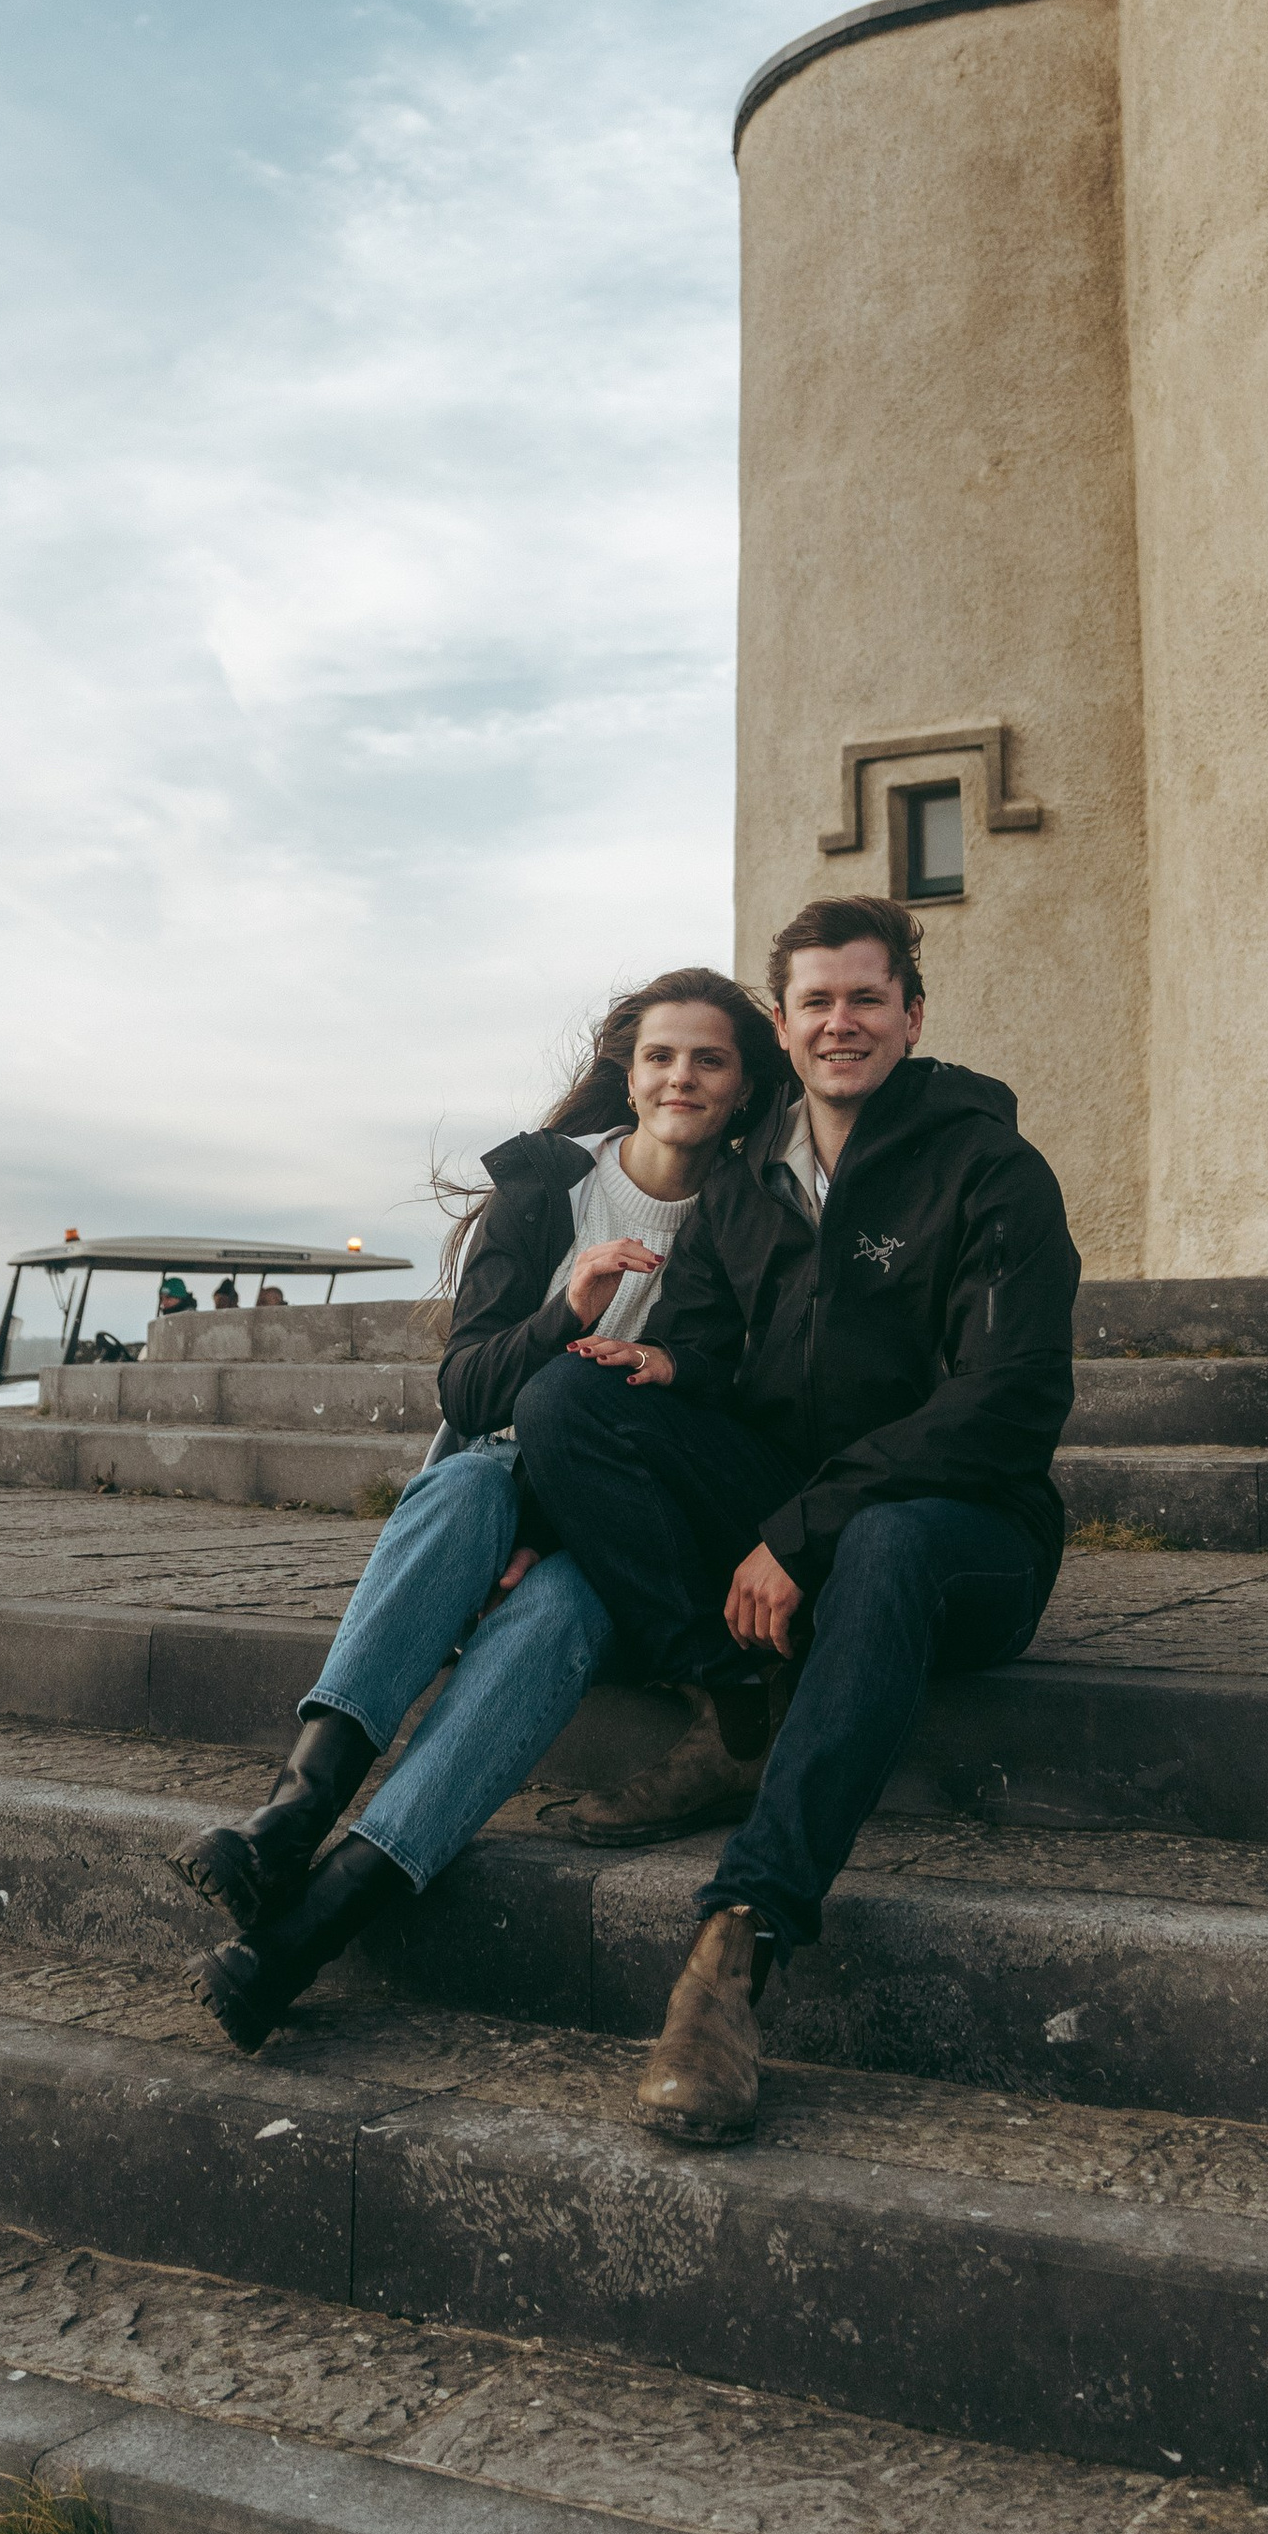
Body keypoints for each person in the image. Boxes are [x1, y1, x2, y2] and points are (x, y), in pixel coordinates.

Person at [513, 894, 1078, 2148]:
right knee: (567, 1398)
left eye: (866, 997)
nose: (840, 1022)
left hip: (963, 1536)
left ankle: (739, 1943)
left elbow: (1009, 1398)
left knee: (886, 1537)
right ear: (783, 1024)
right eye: (816, 1001)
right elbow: (707, 1350)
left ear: (910, 1015)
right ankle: (734, 1706)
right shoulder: (745, 1187)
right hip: (791, 1513)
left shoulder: (988, 1169)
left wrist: (803, 1530)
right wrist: (649, 1396)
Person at [168, 967, 785, 2050]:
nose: (681, 1077)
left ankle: (305, 1934)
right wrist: (567, 1310)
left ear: (742, 1086)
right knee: (462, 1481)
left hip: (634, 1522)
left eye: (709, 1060)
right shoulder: (546, 1188)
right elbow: (468, 1394)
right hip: (498, 1486)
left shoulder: (749, 1217)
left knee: (557, 1609)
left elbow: (740, 1404)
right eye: (659, 1056)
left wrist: (559, 1512)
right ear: (627, 1074)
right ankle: (290, 1822)